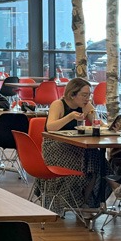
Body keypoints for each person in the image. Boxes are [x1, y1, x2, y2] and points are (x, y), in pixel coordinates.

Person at [38, 78, 109, 211]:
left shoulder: (86, 105)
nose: (87, 98)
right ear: (72, 94)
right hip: (54, 147)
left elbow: (98, 123)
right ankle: (82, 203)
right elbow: (50, 127)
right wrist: (70, 117)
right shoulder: (58, 104)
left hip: (77, 146)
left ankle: (85, 203)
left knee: (96, 158)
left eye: (89, 95)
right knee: (91, 160)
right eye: (84, 95)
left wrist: (110, 128)